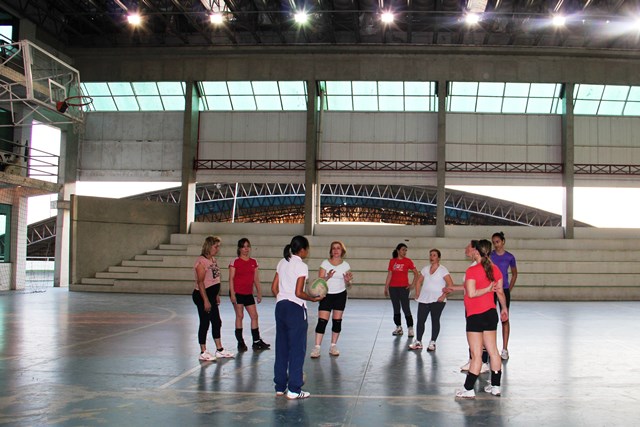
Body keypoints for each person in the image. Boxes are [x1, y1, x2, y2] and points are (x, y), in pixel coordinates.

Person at [271, 235, 323, 399]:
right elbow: (299, 292)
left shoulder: (282, 262)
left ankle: (280, 386)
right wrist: (313, 299)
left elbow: (274, 288)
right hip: (295, 309)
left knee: (281, 348)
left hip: (280, 307)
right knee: (297, 349)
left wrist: (282, 298)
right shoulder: (301, 266)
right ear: (303, 250)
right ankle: (294, 389)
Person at [455, 239, 508, 399]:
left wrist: (486, 289)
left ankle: (468, 388)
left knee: (476, 354)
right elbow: (500, 292)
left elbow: (471, 293)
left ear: (477, 252)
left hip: (475, 316)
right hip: (490, 314)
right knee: (493, 352)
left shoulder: (472, 271)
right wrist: (504, 308)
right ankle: (496, 386)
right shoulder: (495, 269)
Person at [192, 236, 234, 362]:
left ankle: (219, 349)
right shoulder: (201, 262)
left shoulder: (213, 260)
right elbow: (200, 283)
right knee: (205, 322)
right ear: (209, 246)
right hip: (202, 296)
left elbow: (214, 278)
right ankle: (203, 351)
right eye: (216, 246)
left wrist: (216, 295)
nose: (217, 249)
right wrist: (206, 300)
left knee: (216, 321)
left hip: (211, 296)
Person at [310, 241, 354, 359]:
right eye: (333, 248)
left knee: (337, 321)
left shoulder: (346, 266)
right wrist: (327, 277)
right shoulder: (325, 263)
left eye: (338, 248)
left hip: (340, 295)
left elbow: (349, 284)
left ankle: (333, 346)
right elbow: (319, 282)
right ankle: (317, 347)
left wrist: (348, 281)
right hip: (326, 296)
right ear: (331, 251)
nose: (336, 250)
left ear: (342, 251)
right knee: (322, 321)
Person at [229, 238, 270, 352]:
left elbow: (256, 278)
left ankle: (256, 341)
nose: (246, 249)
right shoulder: (235, 262)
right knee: (240, 316)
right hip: (237, 292)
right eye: (243, 247)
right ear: (239, 249)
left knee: (254, 316)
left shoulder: (253, 262)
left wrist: (259, 292)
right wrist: (232, 294)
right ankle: (240, 342)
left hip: (248, 293)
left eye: (248, 246)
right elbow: (231, 279)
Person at [409, 249, 453, 351]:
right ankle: (418, 341)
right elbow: (418, 282)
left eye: (434, 255)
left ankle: (433, 342)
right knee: (420, 320)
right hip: (424, 299)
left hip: (438, 300)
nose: (431, 257)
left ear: (438, 258)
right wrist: (417, 293)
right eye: (430, 255)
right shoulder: (425, 269)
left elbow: (450, 284)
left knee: (435, 320)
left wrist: (443, 296)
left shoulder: (443, 270)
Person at [490, 231, 518, 360]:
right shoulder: (490, 256)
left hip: (504, 289)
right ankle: (490, 348)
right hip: (491, 290)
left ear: (503, 242)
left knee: (504, 318)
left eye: (497, 242)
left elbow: (514, 273)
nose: (496, 245)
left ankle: (505, 349)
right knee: (491, 318)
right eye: (494, 243)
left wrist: (509, 288)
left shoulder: (510, 257)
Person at [384, 243, 418, 337]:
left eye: (406, 250)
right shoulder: (392, 261)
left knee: (406, 308)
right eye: (403, 250)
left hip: (404, 288)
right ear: (398, 250)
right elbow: (390, 274)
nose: (405, 252)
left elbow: (416, 273)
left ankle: (410, 328)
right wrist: (386, 287)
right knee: (396, 308)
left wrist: (412, 284)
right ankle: (398, 327)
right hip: (393, 288)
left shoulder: (408, 261)